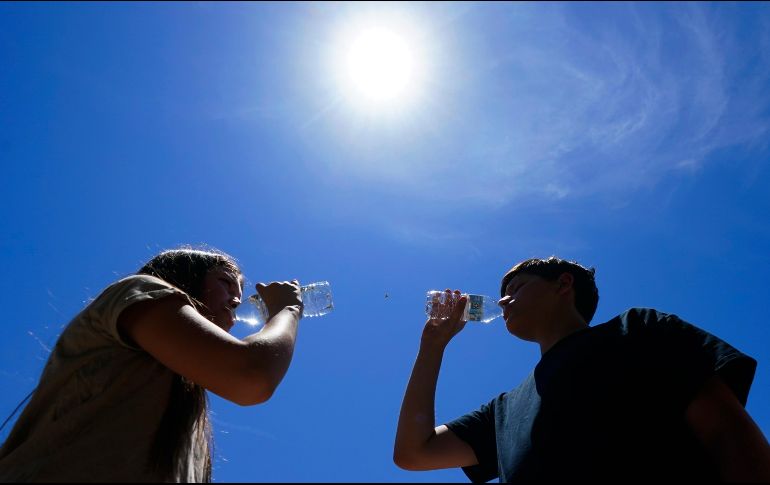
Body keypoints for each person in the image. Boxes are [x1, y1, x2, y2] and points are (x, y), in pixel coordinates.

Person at [394, 256, 770, 482]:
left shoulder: (637, 329)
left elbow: (728, 433)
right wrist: (433, 345)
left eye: (517, 286)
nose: (503, 300)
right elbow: (414, 453)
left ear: (563, 285)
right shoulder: (503, 412)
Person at [0, 247, 304, 482]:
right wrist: (287, 309)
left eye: (239, 291)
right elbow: (251, 375)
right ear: (185, 278)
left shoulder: (186, 397)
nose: (237, 299)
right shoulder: (138, 291)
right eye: (226, 283)